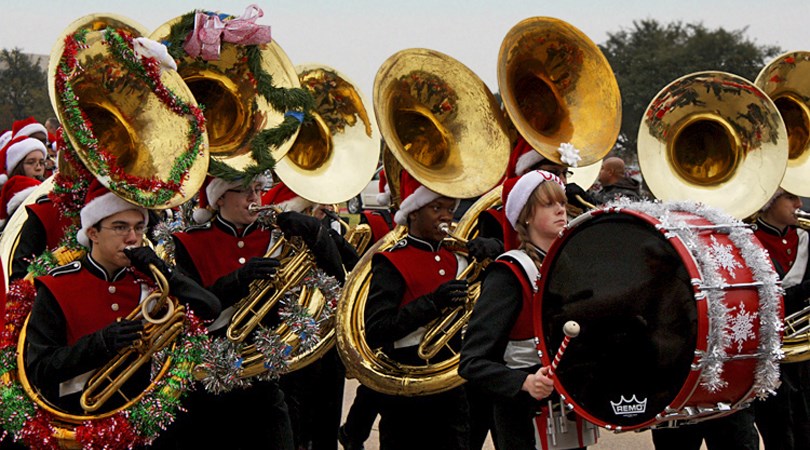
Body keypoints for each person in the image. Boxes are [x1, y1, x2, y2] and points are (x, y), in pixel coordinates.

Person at [171, 175, 344, 450]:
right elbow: (188, 310)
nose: (255, 198)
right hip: (209, 383)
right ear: (220, 198)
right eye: (243, 191)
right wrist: (238, 280)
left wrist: (317, 233)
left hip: (266, 378)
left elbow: (339, 278)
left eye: (258, 190)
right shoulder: (188, 243)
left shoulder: (278, 237)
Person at [23, 180, 221, 415]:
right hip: (83, 416)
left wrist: (161, 269)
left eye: (138, 228)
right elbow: (39, 369)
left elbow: (210, 307)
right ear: (92, 232)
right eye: (120, 227)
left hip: (150, 413)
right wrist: (100, 343)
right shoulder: (57, 285)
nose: (132, 238)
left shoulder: (151, 280)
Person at [363, 170, 470, 450]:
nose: (446, 216)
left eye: (449, 208)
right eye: (436, 208)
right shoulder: (392, 261)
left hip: (453, 387)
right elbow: (376, 330)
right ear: (412, 212)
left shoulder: (458, 258)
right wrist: (432, 303)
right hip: (408, 390)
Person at [459, 170, 563, 449]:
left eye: (562, 203)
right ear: (526, 216)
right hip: (523, 417)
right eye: (549, 204)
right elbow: (472, 361)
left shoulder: (567, 266)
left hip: (567, 416)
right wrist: (524, 382)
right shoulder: (508, 274)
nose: (561, 210)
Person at [753, 189, 810, 450]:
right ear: (769, 201)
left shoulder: (806, 236)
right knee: (778, 430)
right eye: (790, 197)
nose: (799, 204)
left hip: (805, 354)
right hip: (768, 354)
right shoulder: (747, 239)